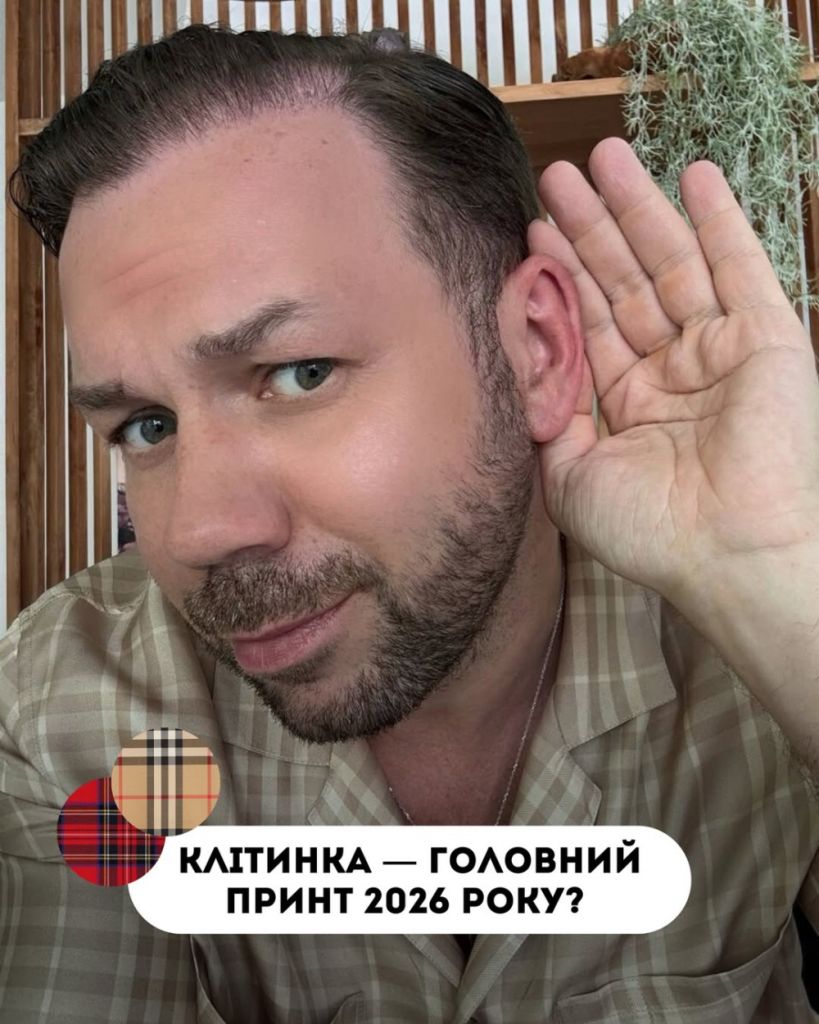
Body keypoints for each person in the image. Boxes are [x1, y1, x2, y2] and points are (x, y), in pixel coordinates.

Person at [2, 23, 817, 1024]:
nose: (198, 532)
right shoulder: (73, 710)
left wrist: (790, 585)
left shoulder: (747, 640)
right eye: (146, 425)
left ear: (534, 351)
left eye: (298, 373)